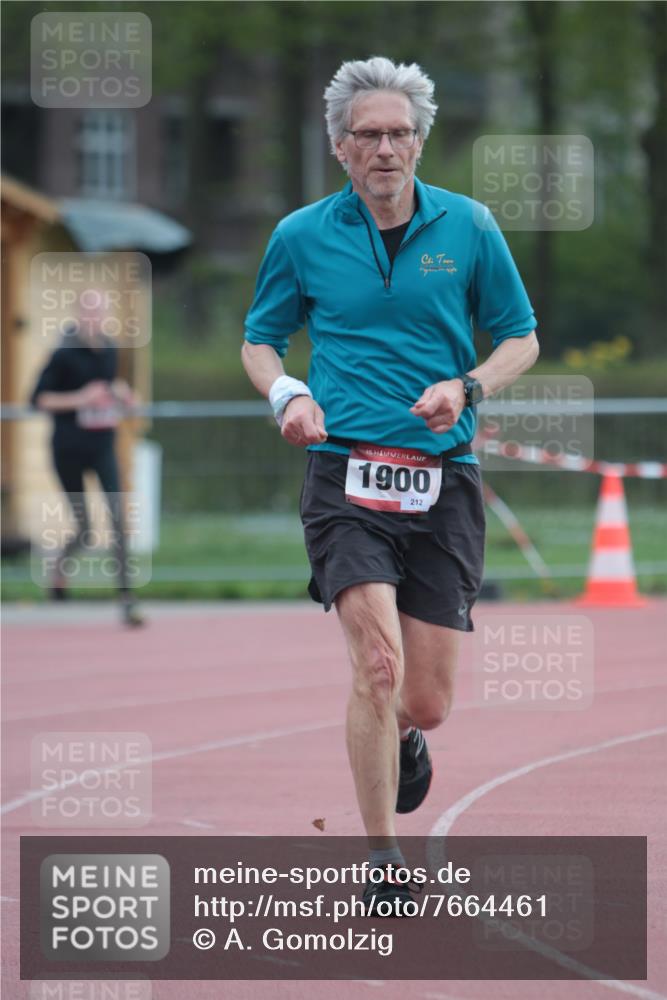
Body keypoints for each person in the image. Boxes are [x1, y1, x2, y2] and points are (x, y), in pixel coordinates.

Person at [241, 56, 539, 913]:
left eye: (399, 133)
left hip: (442, 478)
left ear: (420, 140)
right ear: (339, 147)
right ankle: (382, 859)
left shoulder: (470, 225)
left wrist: (467, 386)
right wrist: (287, 392)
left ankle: (406, 739)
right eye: (367, 135)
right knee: (374, 664)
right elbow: (261, 339)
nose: (384, 148)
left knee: (426, 699)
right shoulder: (300, 235)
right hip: (344, 473)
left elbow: (519, 336)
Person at [30, 303, 145, 627]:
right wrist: (81, 398)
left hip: (102, 447)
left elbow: (108, 386)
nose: (96, 318)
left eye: (101, 312)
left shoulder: (108, 348)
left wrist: (121, 393)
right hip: (67, 449)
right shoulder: (63, 353)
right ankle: (58, 573)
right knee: (86, 530)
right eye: (90, 312)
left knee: (118, 520)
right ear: (79, 315)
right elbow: (38, 399)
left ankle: (126, 598)